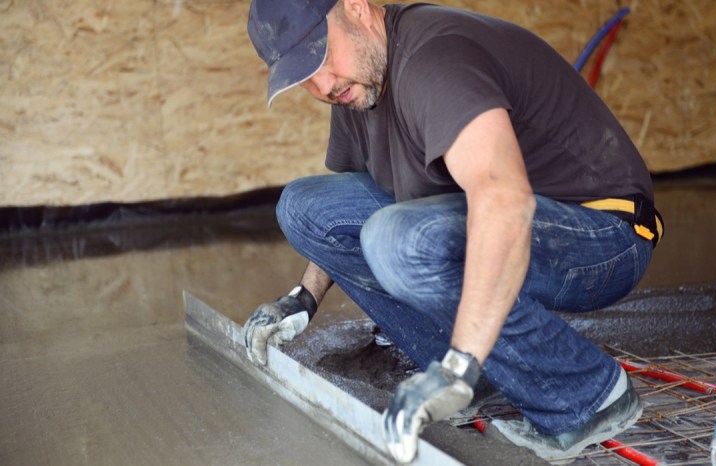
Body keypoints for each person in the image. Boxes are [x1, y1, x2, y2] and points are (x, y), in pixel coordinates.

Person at [243, 0, 664, 463]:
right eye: (303, 76)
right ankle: (479, 377)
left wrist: (459, 363)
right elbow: (341, 217)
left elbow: (504, 200)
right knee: (304, 207)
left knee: (398, 241)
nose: (321, 85)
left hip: (603, 233)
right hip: (520, 219)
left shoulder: (435, 58)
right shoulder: (355, 84)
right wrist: (303, 298)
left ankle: (586, 396)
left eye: (321, 57)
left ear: (358, 9)